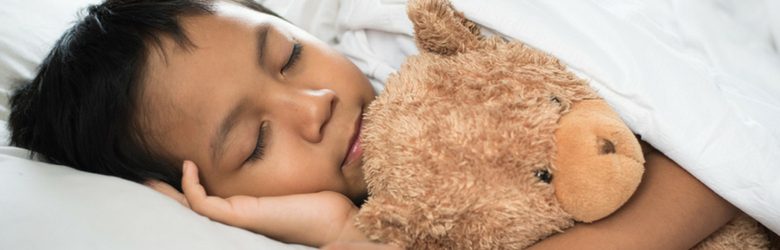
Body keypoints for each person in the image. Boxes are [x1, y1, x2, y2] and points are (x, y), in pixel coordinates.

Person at [8, 0, 739, 248]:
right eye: (255, 140)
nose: (313, 104)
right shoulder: (370, 216)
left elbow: (714, 143)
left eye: (289, 55)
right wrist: (338, 229)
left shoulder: (436, 51)